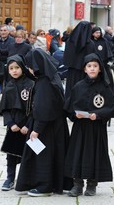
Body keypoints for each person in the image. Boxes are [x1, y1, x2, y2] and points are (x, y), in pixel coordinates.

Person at [15, 49, 72, 197]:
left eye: (30, 66)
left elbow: (44, 108)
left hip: (46, 126)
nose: (29, 69)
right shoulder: (52, 77)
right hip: (56, 124)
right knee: (54, 155)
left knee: (43, 156)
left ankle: (44, 186)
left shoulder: (45, 83)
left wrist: (37, 129)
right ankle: (59, 183)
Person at [64, 53, 114, 197]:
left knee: (94, 154)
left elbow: (111, 108)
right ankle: (77, 184)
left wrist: (99, 114)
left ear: (100, 69)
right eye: (89, 66)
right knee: (78, 153)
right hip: (80, 128)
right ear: (84, 69)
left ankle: (92, 184)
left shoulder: (105, 87)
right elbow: (69, 107)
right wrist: (74, 115)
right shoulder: (78, 86)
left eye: (95, 66)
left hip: (96, 129)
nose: (92, 69)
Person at [0, 54, 34, 191]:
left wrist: (27, 125)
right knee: (11, 155)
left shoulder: (31, 84)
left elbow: (34, 109)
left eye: (17, 67)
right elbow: (5, 109)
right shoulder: (8, 86)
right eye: (11, 68)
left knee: (28, 154)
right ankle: (10, 178)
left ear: (22, 68)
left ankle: (27, 179)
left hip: (27, 125)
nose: (14, 71)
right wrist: (10, 124)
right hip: (13, 125)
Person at [63, 21, 96, 99]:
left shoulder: (70, 42)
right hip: (85, 72)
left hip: (72, 71)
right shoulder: (90, 44)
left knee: (72, 91)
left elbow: (67, 57)